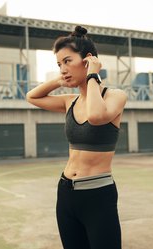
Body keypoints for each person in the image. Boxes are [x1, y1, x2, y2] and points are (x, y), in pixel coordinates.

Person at [26, 25, 127, 249]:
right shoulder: (69, 100)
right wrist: (61, 80)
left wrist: (92, 75)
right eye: (59, 64)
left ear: (88, 60)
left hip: (98, 195)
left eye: (68, 61)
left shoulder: (115, 96)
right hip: (66, 194)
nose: (63, 68)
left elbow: (96, 115)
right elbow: (32, 96)